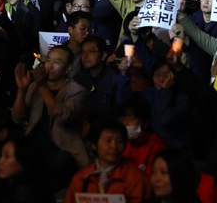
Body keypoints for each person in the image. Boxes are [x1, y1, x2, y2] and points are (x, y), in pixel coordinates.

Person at [12, 46, 89, 190]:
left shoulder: (77, 91)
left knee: (60, 161)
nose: (50, 66)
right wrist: (21, 90)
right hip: (34, 144)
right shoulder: (34, 86)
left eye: (57, 62)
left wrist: (43, 86)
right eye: (48, 60)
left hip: (60, 149)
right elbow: (18, 117)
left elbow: (62, 116)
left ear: (68, 69)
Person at [64, 118, 150, 203]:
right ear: (94, 145)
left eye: (119, 141)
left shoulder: (136, 178)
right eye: (108, 141)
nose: (114, 146)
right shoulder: (81, 178)